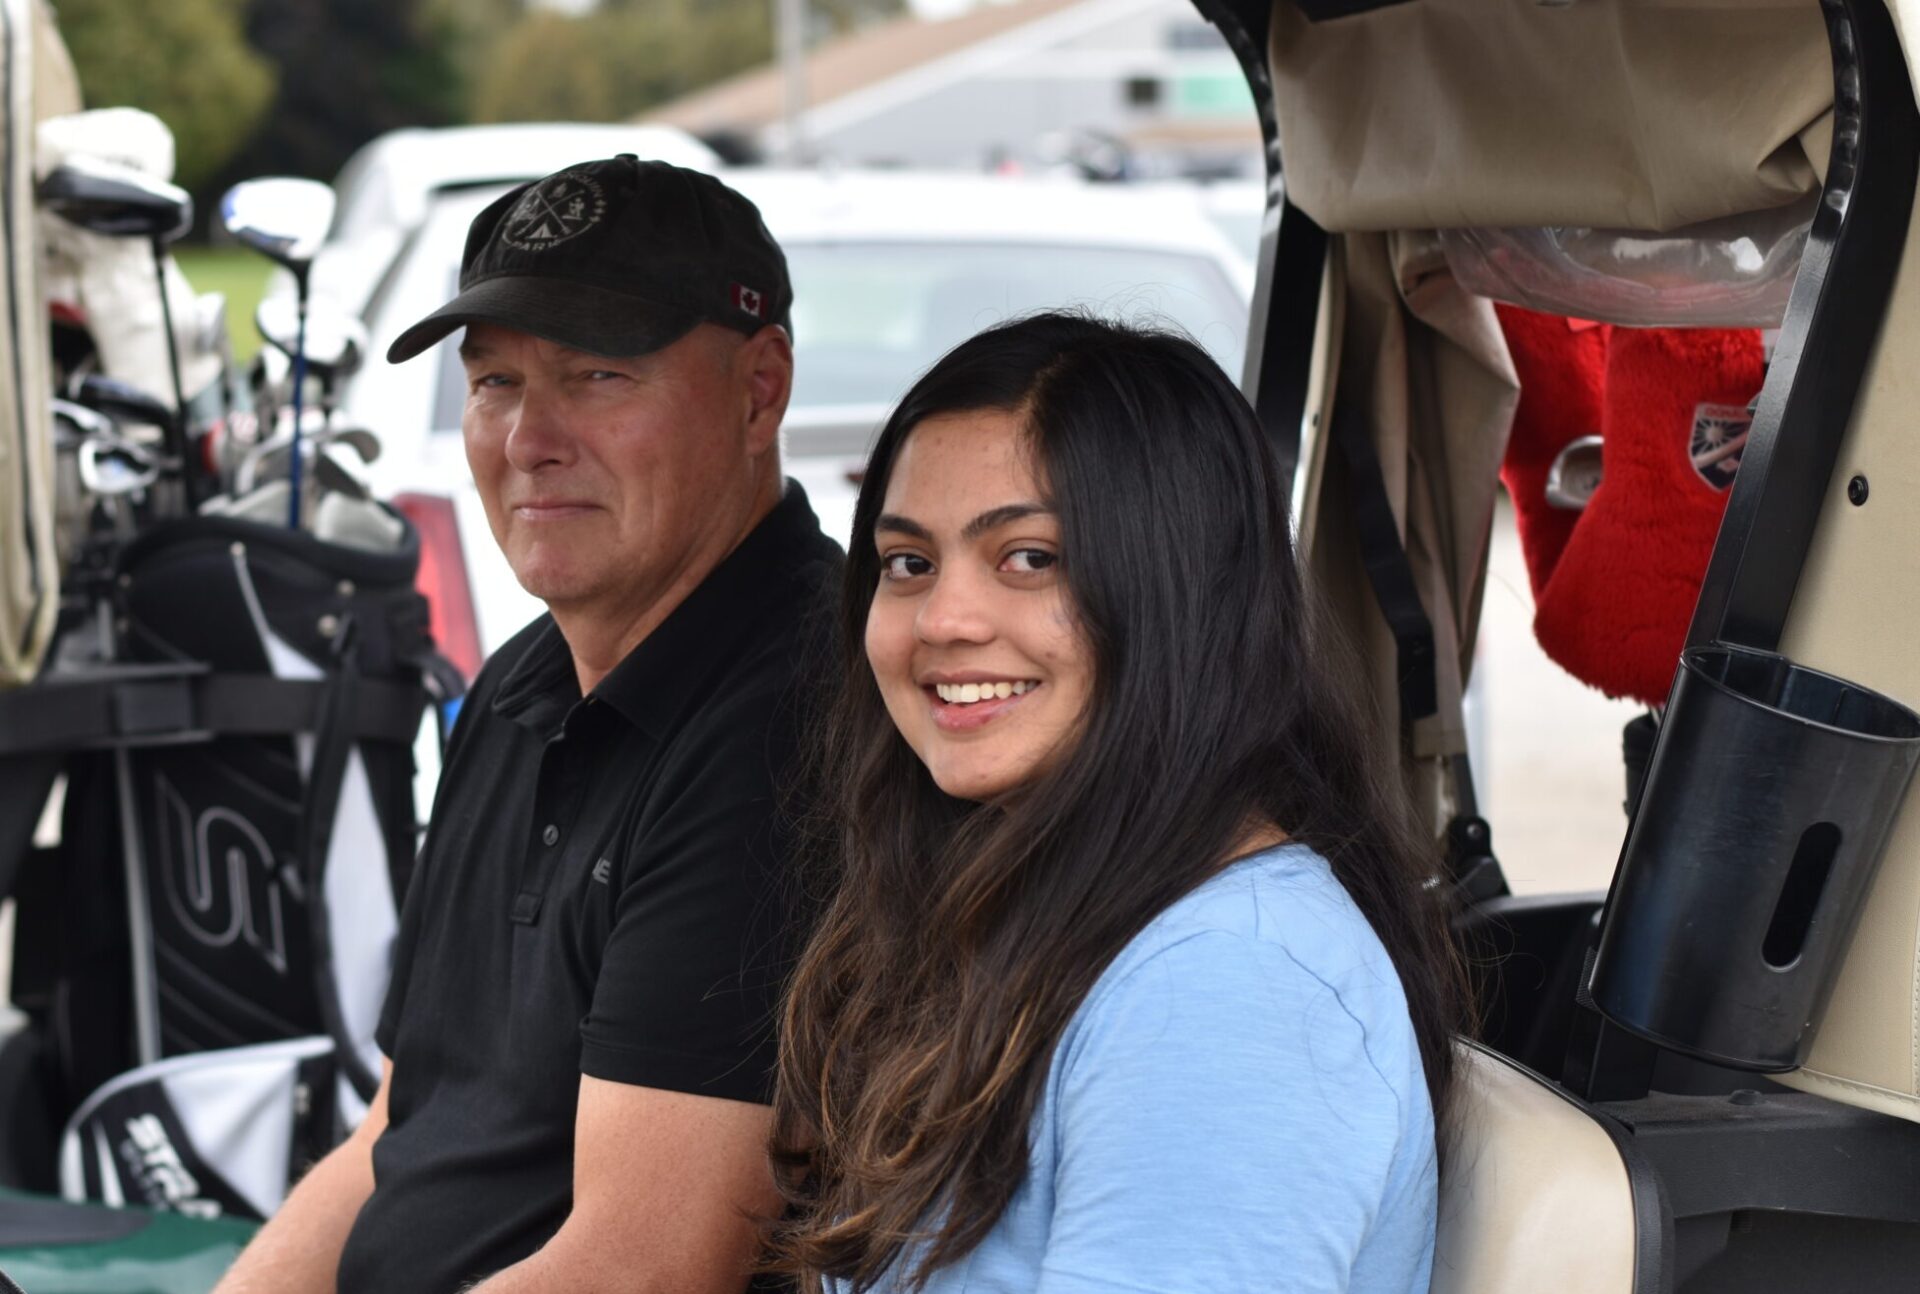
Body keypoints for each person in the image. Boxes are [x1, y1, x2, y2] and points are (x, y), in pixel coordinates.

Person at [216, 157, 841, 1293]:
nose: (527, 439)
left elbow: (645, 1268)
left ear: (761, 391)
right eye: (496, 382)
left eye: (597, 374)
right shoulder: (516, 689)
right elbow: (397, 1135)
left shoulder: (803, 717)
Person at [765, 312, 1466, 1293]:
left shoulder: (1227, 984)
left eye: (1027, 558)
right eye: (908, 563)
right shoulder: (1037, 908)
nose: (943, 620)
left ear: (1173, 594)